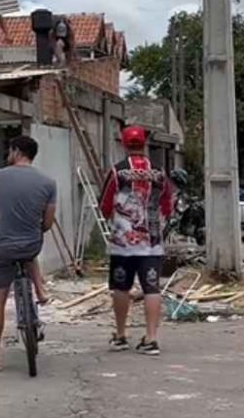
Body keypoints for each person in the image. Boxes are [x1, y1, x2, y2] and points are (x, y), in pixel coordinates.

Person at [100, 125, 174, 356]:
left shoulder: (117, 172)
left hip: (123, 243)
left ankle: (121, 335)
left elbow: (105, 204)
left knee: (121, 287)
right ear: (144, 144)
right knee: (152, 288)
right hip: (151, 242)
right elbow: (168, 204)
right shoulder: (159, 173)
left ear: (124, 144)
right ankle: (151, 338)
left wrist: (117, 221)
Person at [0, 135, 55, 372]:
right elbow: (47, 223)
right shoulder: (48, 182)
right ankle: (40, 289)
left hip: (3, 247)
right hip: (31, 244)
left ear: (15, 151)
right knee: (29, 250)